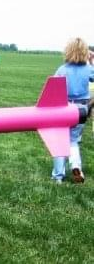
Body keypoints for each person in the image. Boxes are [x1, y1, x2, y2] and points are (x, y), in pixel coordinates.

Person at [51, 37, 94, 184]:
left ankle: (58, 176)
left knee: (59, 140)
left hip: (63, 107)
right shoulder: (89, 69)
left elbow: (53, 88)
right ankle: (76, 166)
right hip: (81, 108)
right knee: (74, 140)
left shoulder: (62, 69)